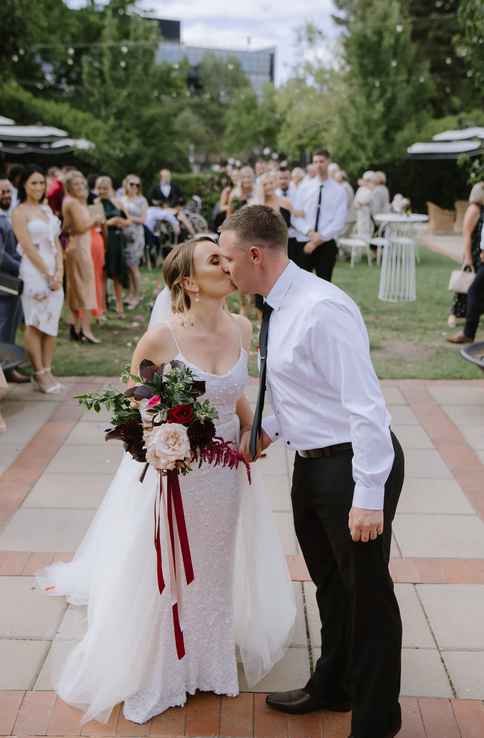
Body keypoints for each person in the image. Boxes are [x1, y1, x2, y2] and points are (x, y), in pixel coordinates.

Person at [37, 235, 295, 726]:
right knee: (170, 566)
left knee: (215, 564)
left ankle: (208, 660)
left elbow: (235, 395)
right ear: (190, 282)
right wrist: (160, 431)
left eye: (226, 256)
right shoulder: (163, 337)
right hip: (177, 474)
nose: (228, 262)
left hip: (225, 475)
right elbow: (136, 391)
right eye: (214, 259)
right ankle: (162, 667)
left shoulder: (242, 326)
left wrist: (248, 428)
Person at [219, 205, 405, 738]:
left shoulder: (322, 308)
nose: (226, 269)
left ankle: (375, 722)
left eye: (229, 258)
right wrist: (267, 429)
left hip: (352, 467)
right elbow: (306, 389)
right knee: (330, 587)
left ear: (255, 255)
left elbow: (365, 406)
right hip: (311, 465)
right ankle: (334, 685)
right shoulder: (278, 305)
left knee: (368, 597)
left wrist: (368, 494)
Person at [12, 166, 64, 393]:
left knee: (51, 322)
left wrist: (60, 271)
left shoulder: (47, 210)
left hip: (54, 270)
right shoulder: (19, 212)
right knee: (34, 322)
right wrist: (47, 274)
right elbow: (27, 247)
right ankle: (39, 372)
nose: (38, 187)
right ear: (24, 185)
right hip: (34, 271)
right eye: (33, 183)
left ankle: (49, 368)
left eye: (41, 183)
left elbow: (57, 243)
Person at [296, 149, 348, 282]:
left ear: (328, 162)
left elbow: (339, 221)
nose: (318, 165)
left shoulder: (339, 190)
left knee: (325, 284)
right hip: (305, 241)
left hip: (327, 244)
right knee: (303, 284)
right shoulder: (304, 187)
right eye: (315, 162)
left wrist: (319, 238)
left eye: (321, 161)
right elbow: (296, 215)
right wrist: (309, 232)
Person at [62, 171, 100, 343]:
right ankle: (85, 330)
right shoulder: (72, 203)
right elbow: (80, 227)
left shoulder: (72, 202)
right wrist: (95, 219)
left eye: (82, 184)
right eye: (76, 184)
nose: (80, 187)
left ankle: (76, 326)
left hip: (77, 247)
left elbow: (66, 226)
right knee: (85, 287)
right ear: (69, 186)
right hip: (79, 248)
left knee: (76, 288)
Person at [447, 182, 484, 344]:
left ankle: (468, 332)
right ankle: (459, 320)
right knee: (471, 289)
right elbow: (467, 234)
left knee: (474, 291)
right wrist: (469, 257)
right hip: (476, 254)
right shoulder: (474, 209)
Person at [0, 179, 27, 383]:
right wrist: (24, 268)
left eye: (8, 191)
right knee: (4, 328)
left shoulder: (6, 216)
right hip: (4, 282)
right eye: (2, 191)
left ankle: (8, 369)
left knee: (10, 327)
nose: (6, 194)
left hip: (10, 281)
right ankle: (4, 372)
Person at [95, 176, 130, 317]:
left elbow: (128, 220)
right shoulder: (95, 203)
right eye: (100, 188)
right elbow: (96, 223)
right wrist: (110, 222)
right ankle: (102, 306)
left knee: (117, 274)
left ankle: (119, 306)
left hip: (116, 239)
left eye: (105, 188)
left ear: (110, 189)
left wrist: (120, 221)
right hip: (103, 239)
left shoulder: (118, 202)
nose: (102, 191)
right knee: (103, 273)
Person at [120, 175, 148, 309]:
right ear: (126, 184)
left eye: (138, 185)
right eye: (132, 184)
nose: (135, 187)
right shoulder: (122, 199)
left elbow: (143, 220)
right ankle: (130, 294)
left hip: (136, 235)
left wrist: (129, 217)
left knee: (134, 266)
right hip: (123, 235)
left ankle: (137, 296)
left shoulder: (142, 200)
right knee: (127, 267)